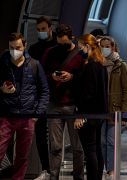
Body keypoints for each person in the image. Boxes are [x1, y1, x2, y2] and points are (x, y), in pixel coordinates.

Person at [0, 33, 49, 180]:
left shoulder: (34, 64)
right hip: (7, 115)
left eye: (18, 47)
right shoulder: (2, 63)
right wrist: (1, 89)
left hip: (27, 116)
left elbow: (44, 90)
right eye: (12, 48)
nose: (15, 50)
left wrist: (37, 114)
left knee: (22, 155)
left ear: (25, 46)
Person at [41, 24, 85, 180]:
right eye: (59, 43)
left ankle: (78, 177)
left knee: (77, 147)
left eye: (64, 44)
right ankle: (54, 177)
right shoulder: (50, 52)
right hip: (54, 104)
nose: (61, 47)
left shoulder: (80, 55)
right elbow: (41, 76)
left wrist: (72, 77)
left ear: (72, 38)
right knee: (55, 147)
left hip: (74, 105)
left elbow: (85, 80)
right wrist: (52, 76)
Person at [73, 34, 106, 180]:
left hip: (89, 114)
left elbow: (89, 93)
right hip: (98, 114)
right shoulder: (100, 64)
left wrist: (81, 114)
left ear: (87, 46)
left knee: (90, 150)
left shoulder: (91, 65)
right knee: (96, 148)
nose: (80, 50)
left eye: (80, 46)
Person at [28, 16, 56, 180]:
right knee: (40, 134)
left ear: (50, 28)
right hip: (38, 95)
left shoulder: (57, 46)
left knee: (54, 135)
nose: (41, 32)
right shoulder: (34, 49)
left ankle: (53, 168)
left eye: (43, 29)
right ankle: (46, 168)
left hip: (55, 94)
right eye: (38, 30)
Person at [99, 36, 127, 178]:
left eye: (107, 46)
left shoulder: (121, 65)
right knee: (102, 141)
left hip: (115, 109)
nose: (104, 48)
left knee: (111, 141)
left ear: (112, 47)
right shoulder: (98, 63)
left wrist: (124, 113)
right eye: (102, 46)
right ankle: (106, 167)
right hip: (101, 109)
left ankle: (111, 169)